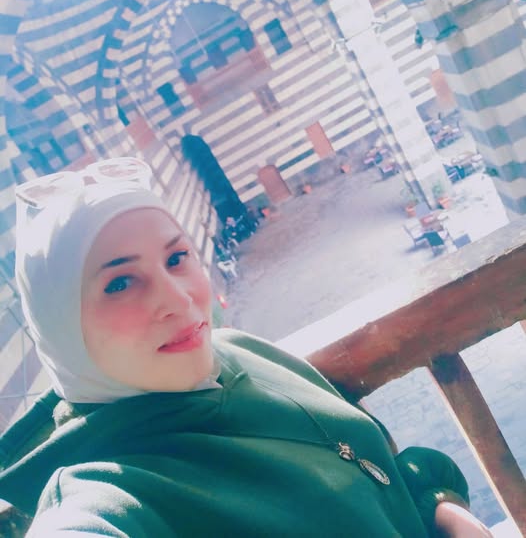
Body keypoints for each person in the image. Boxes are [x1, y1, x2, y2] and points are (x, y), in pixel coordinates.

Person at [0, 158, 492, 537]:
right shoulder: (107, 492)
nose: (178, 299)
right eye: (120, 283)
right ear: (61, 325)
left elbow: (374, 472)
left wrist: (440, 507)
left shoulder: (241, 352)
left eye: (176, 257)